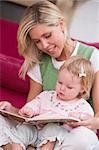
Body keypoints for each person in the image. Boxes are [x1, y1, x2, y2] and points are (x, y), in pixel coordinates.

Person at [0, 0, 99, 149]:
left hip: (71, 135)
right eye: (37, 41)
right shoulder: (40, 62)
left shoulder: (92, 56)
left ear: (61, 24)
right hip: (41, 132)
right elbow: (30, 115)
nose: (44, 45)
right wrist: (11, 110)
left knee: (85, 139)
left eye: (47, 35)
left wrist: (83, 121)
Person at [19, 56, 98, 150]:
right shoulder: (47, 96)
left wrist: (78, 117)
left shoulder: (82, 105)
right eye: (60, 82)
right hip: (39, 135)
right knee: (20, 129)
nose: (62, 88)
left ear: (82, 89)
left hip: (62, 142)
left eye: (69, 87)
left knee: (83, 137)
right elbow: (36, 103)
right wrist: (29, 109)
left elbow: (88, 121)